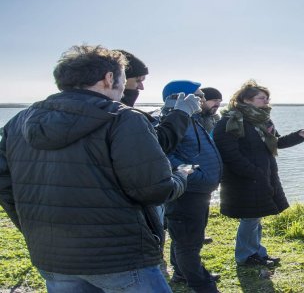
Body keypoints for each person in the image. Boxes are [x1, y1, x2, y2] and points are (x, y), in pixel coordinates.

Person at [0, 45, 186, 292]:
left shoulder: (17, 123)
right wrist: (181, 177)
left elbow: (5, 186)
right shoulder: (124, 119)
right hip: (120, 256)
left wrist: (34, 229)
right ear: (109, 78)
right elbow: (154, 190)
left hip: (53, 255)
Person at [213, 79, 304, 267]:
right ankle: (245, 256)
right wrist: (253, 172)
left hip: (260, 176)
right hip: (243, 179)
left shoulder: (261, 120)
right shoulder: (230, 121)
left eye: (267, 98)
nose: (266, 102)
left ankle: (256, 252)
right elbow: (229, 153)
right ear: (246, 99)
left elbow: (276, 143)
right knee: (250, 218)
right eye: (262, 98)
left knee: (255, 216)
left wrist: (300, 135)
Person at [160, 81, 223, 293]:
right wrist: (192, 174)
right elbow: (164, 155)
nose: (202, 100)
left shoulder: (192, 119)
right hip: (187, 191)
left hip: (198, 190)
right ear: (181, 97)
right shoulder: (171, 122)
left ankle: (182, 273)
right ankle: (202, 285)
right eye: (198, 95)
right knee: (188, 243)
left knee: (187, 239)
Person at [115, 49, 199, 154]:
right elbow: (156, 145)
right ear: (115, 80)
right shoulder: (120, 116)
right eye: (138, 80)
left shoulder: (114, 112)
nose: (141, 87)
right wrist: (181, 113)